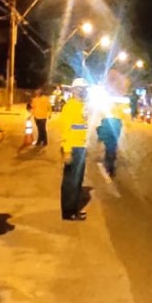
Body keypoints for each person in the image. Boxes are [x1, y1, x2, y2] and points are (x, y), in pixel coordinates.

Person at [60, 78, 91, 221]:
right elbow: (66, 129)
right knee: (71, 182)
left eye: (84, 88)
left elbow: (81, 126)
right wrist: (67, 150)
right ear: (73, 90)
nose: (83, 91)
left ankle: (73, 208)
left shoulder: (81, 106)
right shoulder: (70, 107)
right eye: (80, 88)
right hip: (73, 147)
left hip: (81, 147)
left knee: (77, 181)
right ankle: (69, 212)